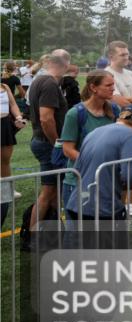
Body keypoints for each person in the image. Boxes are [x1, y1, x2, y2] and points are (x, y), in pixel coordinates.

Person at [63, 103, 132, 226]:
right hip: (103, 206)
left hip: (77, 203)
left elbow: (78, 167)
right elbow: (129, 175)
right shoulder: (129, 135)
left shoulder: (95, 131)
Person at [59, 70, 120, 211]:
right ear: (93, 87)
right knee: (79, 224)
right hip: (79, 180)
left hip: (106, 181)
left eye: (113, 84)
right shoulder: (75, 114)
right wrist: (94, 163)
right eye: (108, 85)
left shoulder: (115, 111)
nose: (113, 88)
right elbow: (67, 149)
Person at [27, 54, 69, 234]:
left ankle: (52, 231)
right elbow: (46, 118)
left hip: (42, 140)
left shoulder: (39, 80)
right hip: (47, 143)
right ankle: (33, 235)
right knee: (48, 192)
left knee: (55, 191)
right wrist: (57, 143)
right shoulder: (49, 83)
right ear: (64, 65)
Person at [1, 80, 28, 224]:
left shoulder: (4, 87)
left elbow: (13, 104)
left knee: (5, 160)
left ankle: (8, 190)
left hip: (5, 124)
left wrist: (18, 117)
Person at [106, 41, 132, 107]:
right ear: (111, 57)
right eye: (122, 55)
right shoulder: (106, 75)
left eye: (127, 54)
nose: (126, 58)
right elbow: (119, 101)